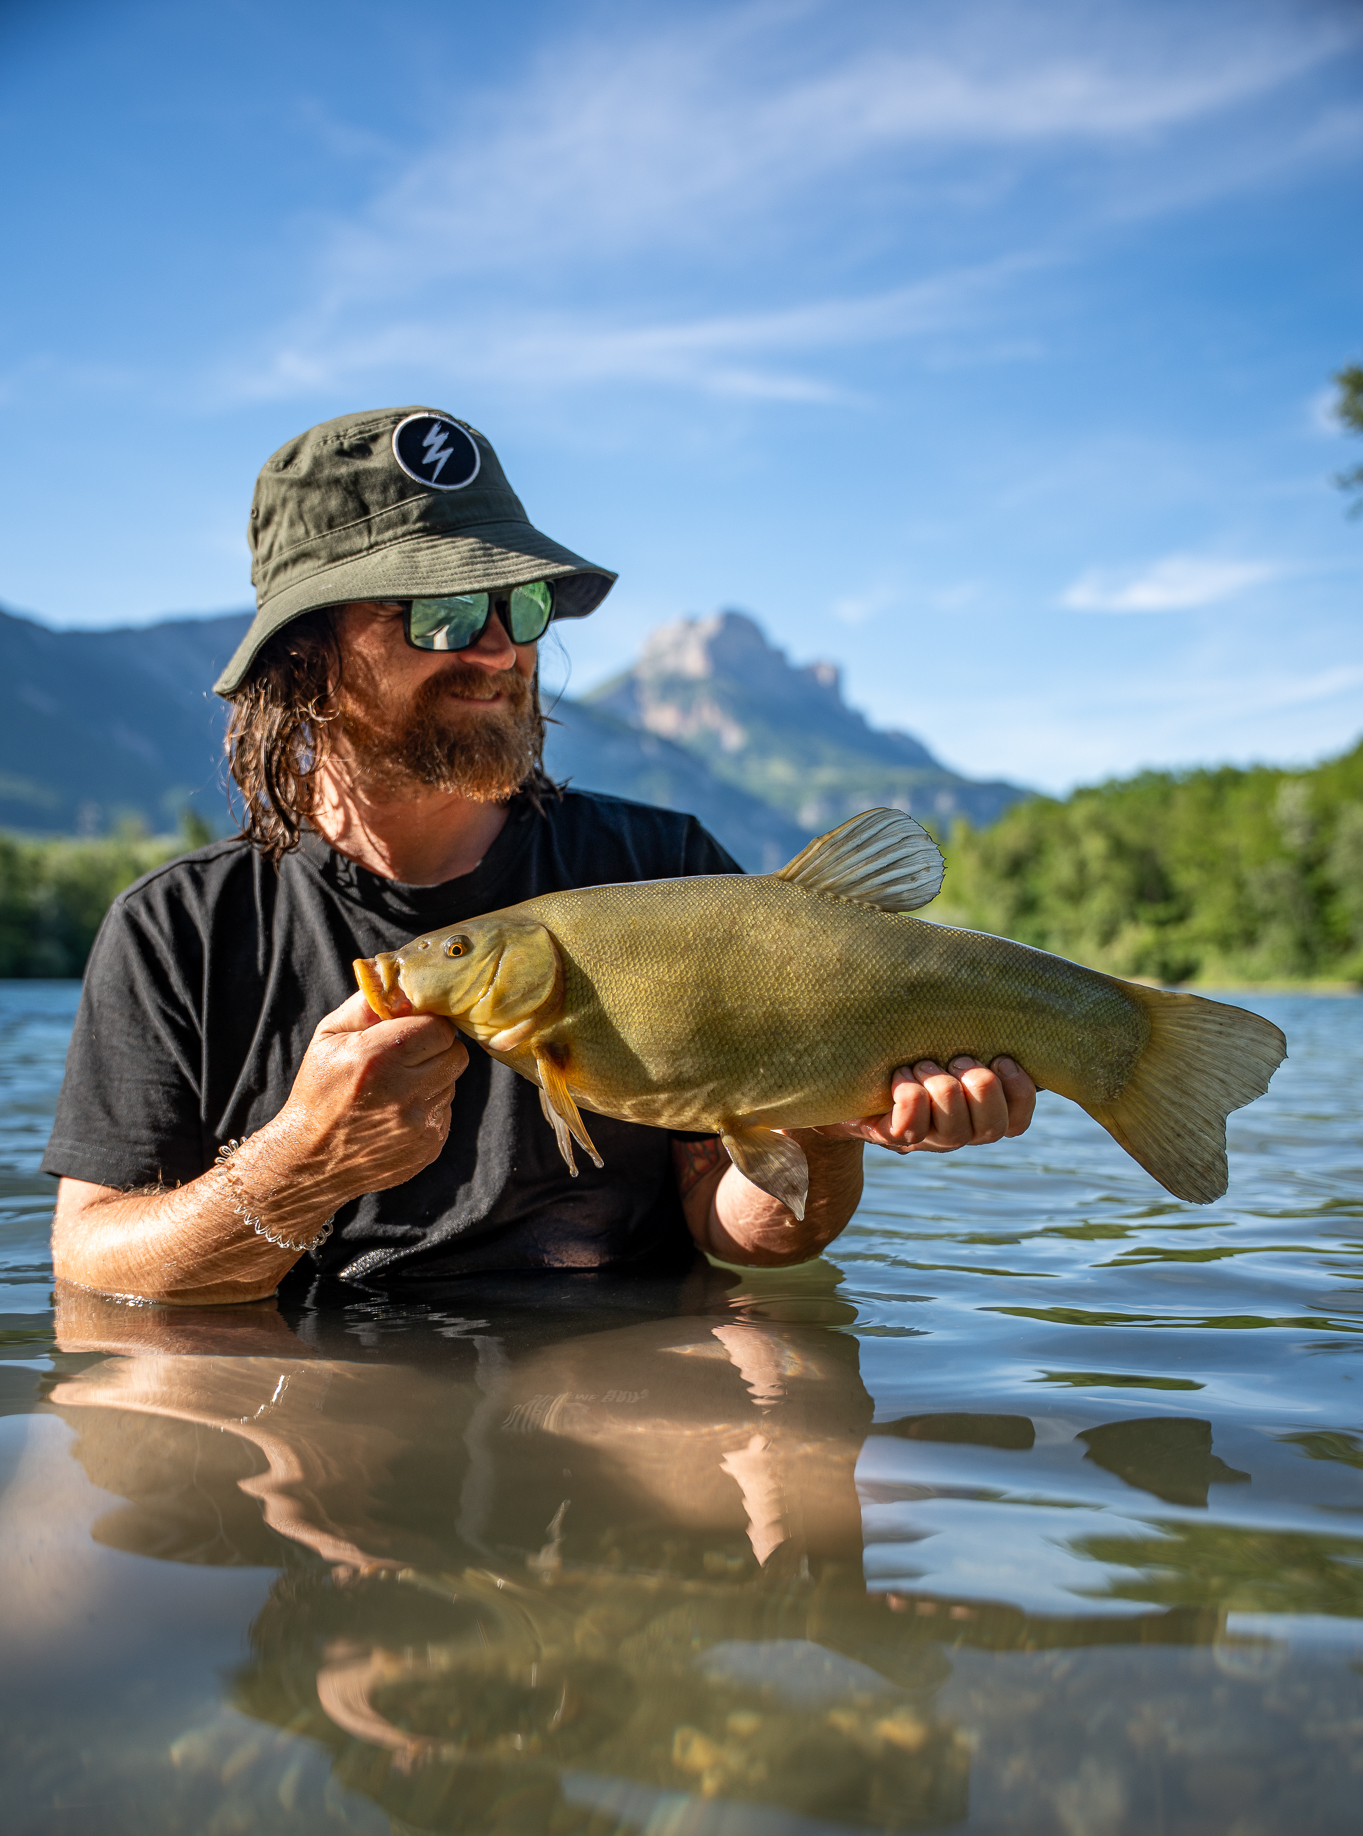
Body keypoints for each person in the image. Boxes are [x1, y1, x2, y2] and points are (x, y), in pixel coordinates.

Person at [46, 406, 1035, 1306]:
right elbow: (93, 1268)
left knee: (831, 1481)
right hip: (308, 1397)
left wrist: (824, 1124)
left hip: (627, 1372)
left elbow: (748, 1237)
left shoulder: (665, 864)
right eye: (440, 614)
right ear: (303, 658)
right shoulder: (177, 928)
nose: (497, 649)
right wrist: (302, 1161)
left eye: (520, 607)